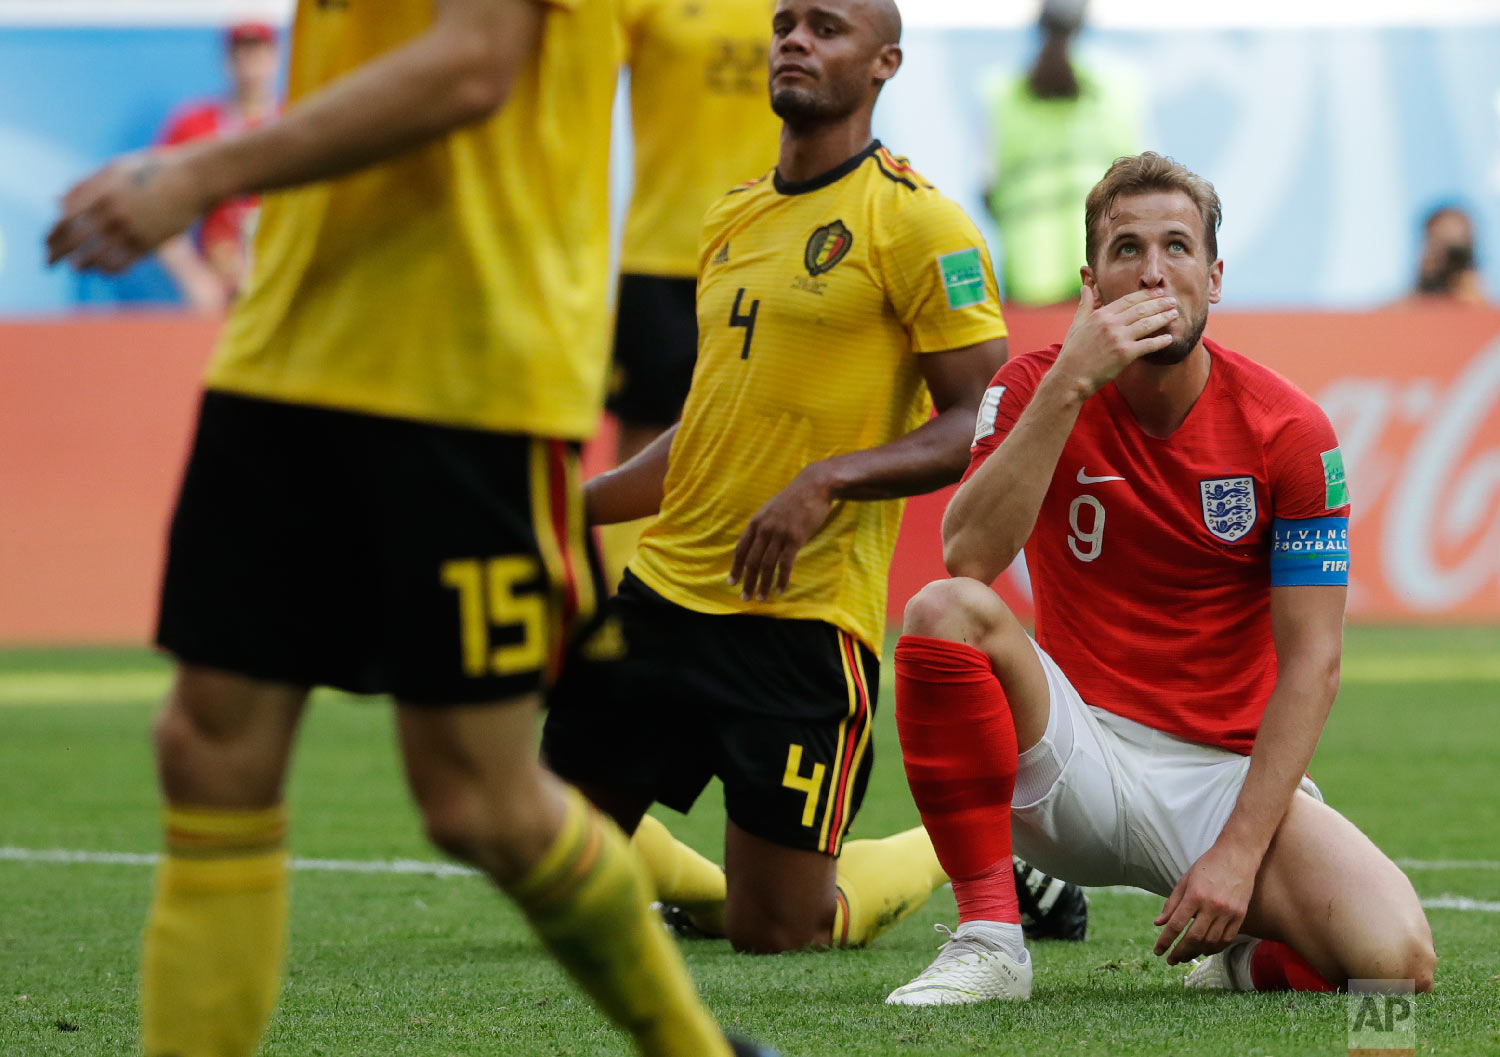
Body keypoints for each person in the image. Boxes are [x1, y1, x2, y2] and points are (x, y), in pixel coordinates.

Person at [46, 3, 770, 1056]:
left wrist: (196, 174)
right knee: (207, 748)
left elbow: (474, 63)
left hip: (469, 363)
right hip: (285, 347)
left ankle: (691, 1048)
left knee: (478, 799)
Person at [884, 152, 1436, 1005]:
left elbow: (1314, 664)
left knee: (1394, 970)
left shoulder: (1288, 428)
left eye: (1177, 247)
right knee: (942, 609)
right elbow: (968, 556)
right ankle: (991, 939)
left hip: (1224, 779)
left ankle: (1245, 961)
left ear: (1213, 278)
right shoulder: (1035, 387)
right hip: (1073, 755)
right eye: (1126, 249)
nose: (1152, 271)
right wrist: (1070, 379)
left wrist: (1239, 852)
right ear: (1090, 282)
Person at [543, 0, 1014, 956]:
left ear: (885, 63)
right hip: (665, 597)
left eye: (825, 27)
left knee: (783, 935)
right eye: (784, 23)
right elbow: (703, 432)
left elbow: (980, 420)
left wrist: (828, 480)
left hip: (799, 626)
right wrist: (565, 508)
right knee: (542, 850)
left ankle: (976, 848)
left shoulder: (923, 226)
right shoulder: (733, 213)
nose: (793, 39)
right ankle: (713, 892)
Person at [600, 0, 784, 587]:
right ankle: (618, 594)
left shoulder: (795, 10)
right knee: (643, 430)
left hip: (770, 252)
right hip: (660, 250)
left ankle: (740, 591)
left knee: (765, 433)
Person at [982, 0, 1140, 307]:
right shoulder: (1119, 89)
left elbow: (986, 189)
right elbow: (1141, 184)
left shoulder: (1002, 92)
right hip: (1101, 271)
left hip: (1031, 270)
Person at [156, 21, 282, 313]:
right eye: (240, 52)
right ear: (226, 59)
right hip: (221, 291)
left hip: (281, 285)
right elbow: (158, 208)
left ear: (275, 57)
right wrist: (194, 278)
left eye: (258, 51)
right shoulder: (193, 126)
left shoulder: (295, 122)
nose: (249, 62)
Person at [1403, 203, 1491, 307]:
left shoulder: (1483, 306)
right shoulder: (1397, 311)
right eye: (1436, 243)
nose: (1444, 259)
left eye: (1454, 251)